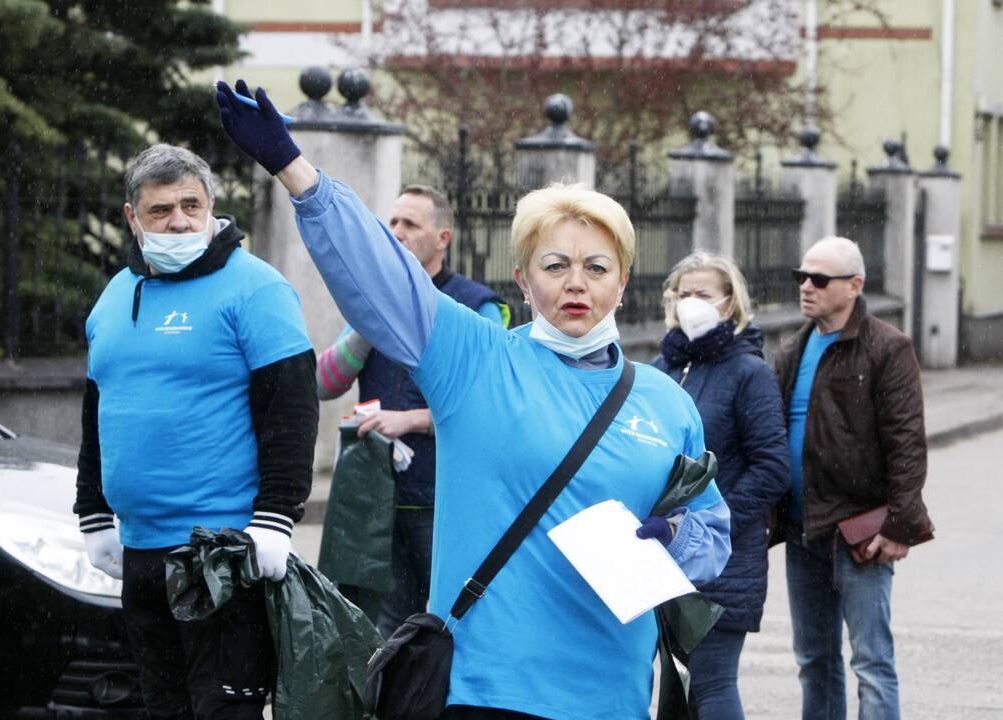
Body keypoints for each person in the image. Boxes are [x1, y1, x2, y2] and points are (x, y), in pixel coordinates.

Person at [216, 79, 732, 719]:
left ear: (623, 282)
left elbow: (713, 534)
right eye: (555, 265)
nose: (577, 283)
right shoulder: (477, 359)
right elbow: (381, 273)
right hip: (487, 694)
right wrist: (298, 173)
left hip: (614, 698)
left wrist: (674, 534)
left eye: (597, 267)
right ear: (523, 279)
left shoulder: (664, 402)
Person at [73, 144, 318, 719]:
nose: (179, 221)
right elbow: (97, 410)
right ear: (133, 218)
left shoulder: (256, 289)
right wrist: (92, 513)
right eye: (161, 210)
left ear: (212, 208)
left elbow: (292, 409)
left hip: (220, 554)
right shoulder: (113, 297)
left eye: (192, 205)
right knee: (164, 708)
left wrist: (276, 517)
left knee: (221, 711)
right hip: (139, 552)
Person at [316, 184, 509, 637]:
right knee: (386, 628)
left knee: (453, 622)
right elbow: (324, 383)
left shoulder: (479, 305)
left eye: (411, 224)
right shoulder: (371, 301)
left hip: (446, 496)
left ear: (443, 237)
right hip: (380, 496)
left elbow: (491, 405)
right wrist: (368, 327)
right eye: (393, 222)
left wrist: (412, 420)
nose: (396, 232)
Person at [772, 236, 932, 720]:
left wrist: (900, 526)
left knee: (871, 661)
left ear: (854, 285)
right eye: (801, 276)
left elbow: (907, 442)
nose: (806, 287)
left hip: (860, 529)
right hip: (804, 531)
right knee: (814, 659)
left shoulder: (887, 346)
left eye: (819, 279)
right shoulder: (791, 348)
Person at [652, 251, 789, 720]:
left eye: (703, 294)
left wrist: (710, 521)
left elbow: (772, 467)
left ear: (730, 303)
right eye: (683, 293)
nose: (691, 303)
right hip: (659, 552)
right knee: (670, 684)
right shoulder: (662, 370)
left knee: (711, 684)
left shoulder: (748, 372)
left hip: (722, 560)